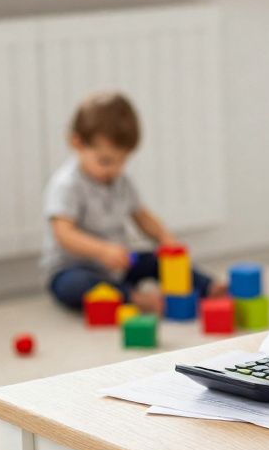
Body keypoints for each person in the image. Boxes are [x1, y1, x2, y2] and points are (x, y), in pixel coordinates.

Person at [42, 92, 224, 313]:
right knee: (75, 285)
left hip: (120, 263)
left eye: (122, 161)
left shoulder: (121, 181)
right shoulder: (67, 184)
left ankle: (208, 287)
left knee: (155, 260)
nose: (114, 169)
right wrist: (102, 251)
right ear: (77, 143)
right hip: (73, 268)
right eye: (105, 161)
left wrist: (165, 239)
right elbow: (64, 234)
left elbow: (142, 216)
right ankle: (133, 298)